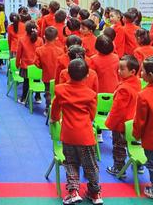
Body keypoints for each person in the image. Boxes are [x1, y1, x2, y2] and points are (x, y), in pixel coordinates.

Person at [51, 59, 102, 205]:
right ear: (87, 76)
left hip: (68, 134)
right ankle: (95, 193)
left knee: (71, 163)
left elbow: (55, 109)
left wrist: (54, 119)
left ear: (67, 73)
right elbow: (92, 115)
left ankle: (73, 191)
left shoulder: (60, 90)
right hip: (85, 135)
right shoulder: (91, 94)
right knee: (91, 165)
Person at [105, 55, 141, 177]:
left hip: (121, 124)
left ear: (132, 71)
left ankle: (119, 168)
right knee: (134, 144)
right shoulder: (136, 83)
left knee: (119, 147)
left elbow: (117, 110)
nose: (119, 71)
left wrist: (110, 124)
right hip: (133, 121)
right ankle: (138, 165)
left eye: (122, 69)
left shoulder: (124, 89)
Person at [133, 56, 153, 202]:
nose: (140, 73)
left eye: (142, 71)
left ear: (150, 75)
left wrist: (135, 134)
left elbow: (140, 120)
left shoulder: (144, 95)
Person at [34, 26, 64, 115]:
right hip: (58, 76)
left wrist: (42, 67)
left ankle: (48, 108)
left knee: (48, 93)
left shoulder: (39, 50)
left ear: (44, 37)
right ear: (56, 38)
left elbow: (36, 63)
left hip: (46, 75)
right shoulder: (60, 51)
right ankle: (57, 110)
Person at [16, 20, 43, 104]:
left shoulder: (22, 40)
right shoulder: (40, 40)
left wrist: (17, 64)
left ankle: (23, 99)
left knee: (26, 82)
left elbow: (19, 54)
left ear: (26, 30)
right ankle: (38, 97)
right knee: (37, 80)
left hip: (25, 66)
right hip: (37, 66)